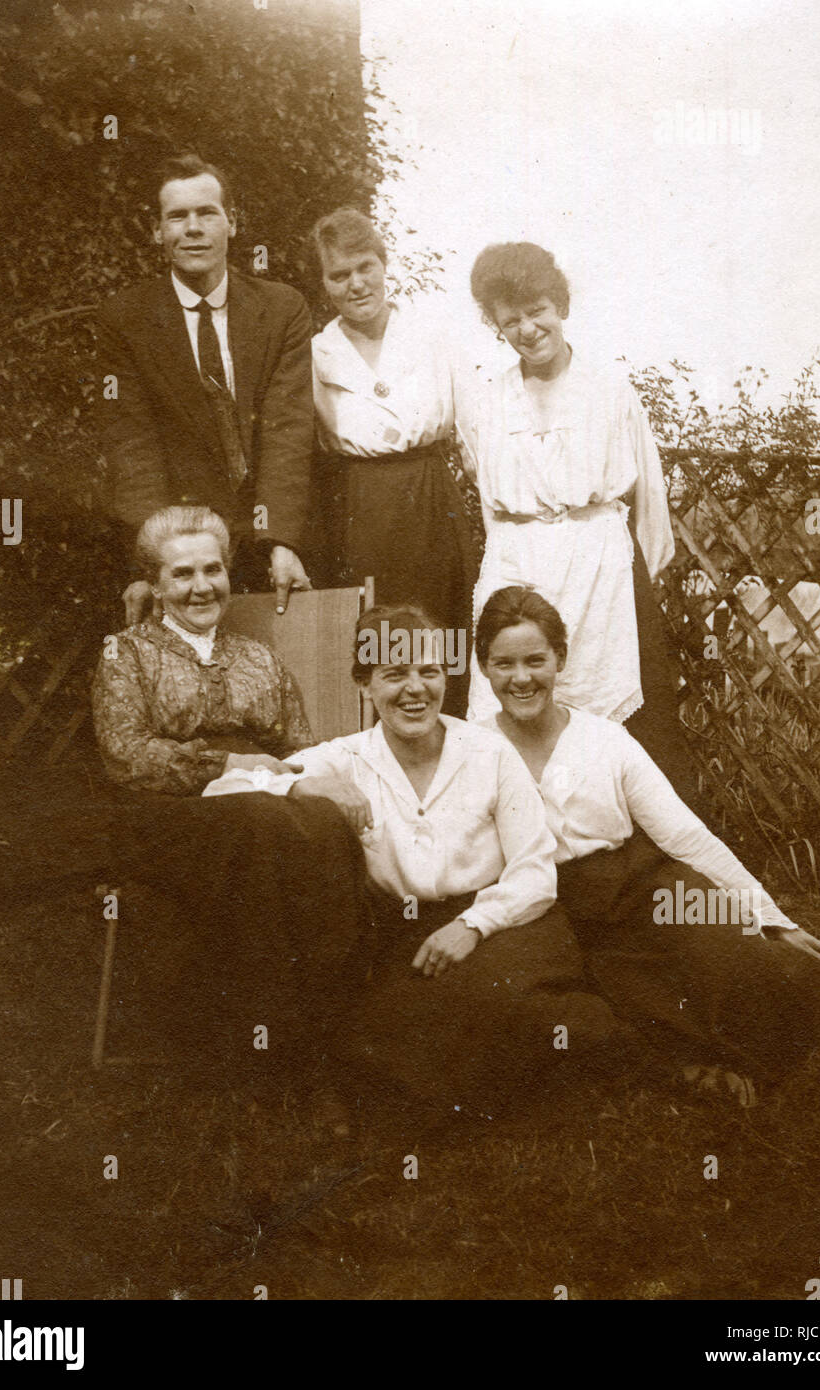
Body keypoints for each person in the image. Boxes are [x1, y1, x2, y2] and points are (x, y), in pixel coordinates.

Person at [475, 585, 820, 1105]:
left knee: (733, 962)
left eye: (535, 660)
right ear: (484, 668)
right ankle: (687, 1068)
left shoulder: (605, 740)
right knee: (609, 995)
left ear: (559, 658)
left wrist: (774, 920)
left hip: (644, 886)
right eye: (503, 663)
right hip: (551, 909)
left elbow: (685, 835)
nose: (521, 678)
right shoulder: (474, 751)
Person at [203, 602, 615, 1120]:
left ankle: (566, 1051)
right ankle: (492, 1089)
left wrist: (472, 926)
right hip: (410, 935)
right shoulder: (346, 757)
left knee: (498, 1007)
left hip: (509, 924)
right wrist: (302, 782)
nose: (415, 689)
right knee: (382, 1031)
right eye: (395, 674)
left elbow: (534, 869)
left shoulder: (488, 752)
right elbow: (224, 788)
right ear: (364, 685)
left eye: (429, 672)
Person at [83, 505, 370, 1085]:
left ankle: (336, 1025)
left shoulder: (258, 657)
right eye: (182, 575)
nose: (200, 587)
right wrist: (228, 762)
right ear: (156, 586)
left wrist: (314, 778)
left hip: (260, 802)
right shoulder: (126, 653)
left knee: (323, 820)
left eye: (211, 570)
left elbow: (300, 745)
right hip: (165, 812)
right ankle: (267, 1045)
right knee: (259, 822)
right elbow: (127, 755)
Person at [458, 241, 696, 800]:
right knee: (511, 705)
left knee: (609, 708)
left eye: (537, 310)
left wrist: (627, 576)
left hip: (601, 569)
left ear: (559, 304)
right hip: (517, 563)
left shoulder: (609, 390)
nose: (528, 328)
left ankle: (622, 845)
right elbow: (489, 503)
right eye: (510, 319)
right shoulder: (488, 401)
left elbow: (649, 501)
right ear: (497, 325)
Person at [96, 153, 313, 623]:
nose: (193, 228)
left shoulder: (281, 310)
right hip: (180, 555)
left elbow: (288, 429)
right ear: (157, 231)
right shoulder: (126, 320)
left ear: (231, 223)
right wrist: (153, 562)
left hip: (270, 545)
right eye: (178, 216)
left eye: (207, 213)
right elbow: (133, 447)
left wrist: (279, 540)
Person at [309, 208, 477, 715]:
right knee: (378, 642)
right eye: (339, 274)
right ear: (324, 283)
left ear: (384, 265)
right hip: (360, 511)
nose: (356, 284)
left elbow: (471, 434)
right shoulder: (316, 353)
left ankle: (450, 750)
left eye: (365, 267)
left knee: (444, 638)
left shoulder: (431, 336)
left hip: (432, 503)